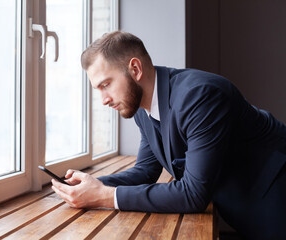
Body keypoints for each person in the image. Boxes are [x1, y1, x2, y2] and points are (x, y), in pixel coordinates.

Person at [51, 31, 286, 239]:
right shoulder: (142, 110)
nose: (103, 99)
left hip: (275, 196)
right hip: (245, 205)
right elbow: (145, 171)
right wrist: (90, 185)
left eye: (106, 85)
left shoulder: (200, 96)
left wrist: (104, 196)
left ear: (135, 69)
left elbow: (193, 195)